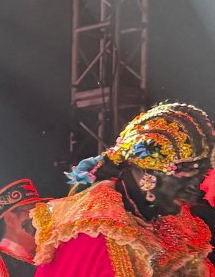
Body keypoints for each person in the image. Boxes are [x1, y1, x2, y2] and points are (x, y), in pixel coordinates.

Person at [34, 102, 215, 276]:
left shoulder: (175, 228)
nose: (195, 188)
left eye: (200, 177)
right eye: (187, 175)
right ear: (147, 170)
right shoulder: (97, 234)